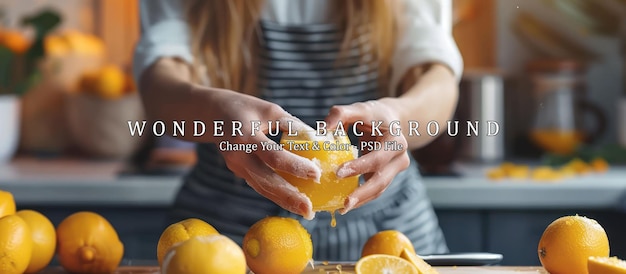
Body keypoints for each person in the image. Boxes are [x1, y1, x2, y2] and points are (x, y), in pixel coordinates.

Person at [134, 0, 463, 261]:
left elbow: (436, 79)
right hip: (227, 237)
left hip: (387, 235)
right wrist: (213, 111)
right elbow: (159, 83)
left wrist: (399, 117)